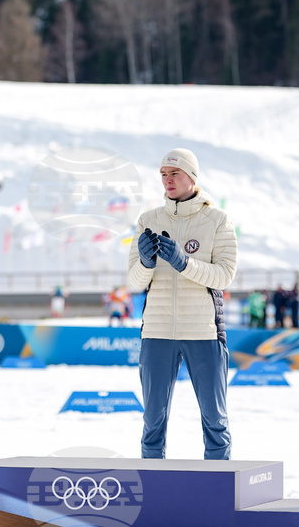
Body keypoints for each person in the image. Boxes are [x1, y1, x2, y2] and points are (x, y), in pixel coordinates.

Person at [128, 148, 237, 460]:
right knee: (152, 421)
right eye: (163, 174)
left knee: (215, 420)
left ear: (192, 176)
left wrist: (183, 263)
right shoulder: (148, 220)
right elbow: (135, 282)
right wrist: (147, 263)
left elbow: (225, 276)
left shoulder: (217, 220)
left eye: (174, 173)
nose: (167, 180)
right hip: (157, 332)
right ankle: (152, 487)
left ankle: (218, 488)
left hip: (203, 332)